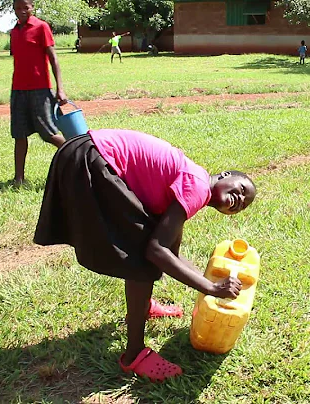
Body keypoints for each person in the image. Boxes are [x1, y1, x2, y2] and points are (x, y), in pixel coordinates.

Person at [34, 129, 257, 382]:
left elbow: (171, 252)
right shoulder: (197, 186)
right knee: (142, 258)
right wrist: (211, 288)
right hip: (93, 158)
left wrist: (211, 284)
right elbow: (156, 250)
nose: (240, 199)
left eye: (243, 204)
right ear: (225, 175)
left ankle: (141, 308)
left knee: (143, 249)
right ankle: (134, 356)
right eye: (241, 189)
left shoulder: (192, 185)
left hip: (85, 152)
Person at [10, 0, 68, 186]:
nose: (22, 11)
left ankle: (79, 155)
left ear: (32, 7)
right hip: (18, 90)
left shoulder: (41, 27)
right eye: (18, 8)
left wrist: (60, 88)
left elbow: (53, 58)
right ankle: (19, 179)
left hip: (40, 90)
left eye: (25, 7)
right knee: (19, 134)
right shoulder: (14, 31)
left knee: (48, 133)